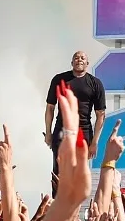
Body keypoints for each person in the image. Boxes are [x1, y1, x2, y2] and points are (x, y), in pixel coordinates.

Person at [43, 52, 105, 192]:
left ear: (87, 63)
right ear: (72, 62)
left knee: (78, 172)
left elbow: (100, 114)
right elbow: (50, 107)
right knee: (59, 169)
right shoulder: (59, 79)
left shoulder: (95, 83)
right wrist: (48, 132)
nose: (79, 60)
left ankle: (75, 210)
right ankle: (57, 205)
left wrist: (94, 142)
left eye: (82, 58)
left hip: (83, 132)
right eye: (76, 58)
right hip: (61, 131)